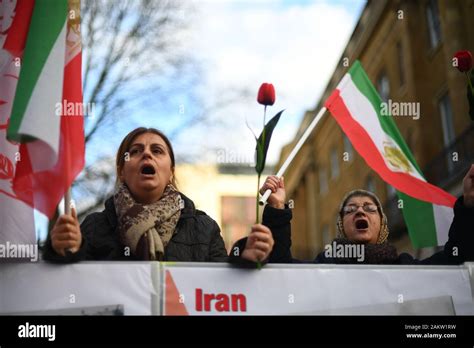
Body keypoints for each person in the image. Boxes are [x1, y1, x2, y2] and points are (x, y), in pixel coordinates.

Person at [43, 127, 274, 265]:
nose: (146, 154)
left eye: (157, 151)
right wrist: (64, 249)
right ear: (122, 171)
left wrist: (245, 256)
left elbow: (222, 287)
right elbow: (70, 285)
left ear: (171, 171)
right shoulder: (94, 227)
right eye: (135, 151)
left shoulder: (204, 228)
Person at [263, 164, 474, 265]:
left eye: (370, 209)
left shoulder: (405, 266)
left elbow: (456, 258)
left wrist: (469, 205)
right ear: (341, 226)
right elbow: (281, 267)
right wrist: (276, 207)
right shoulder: (323, 266)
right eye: (351, 210)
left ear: (382, 224)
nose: (360, 211)